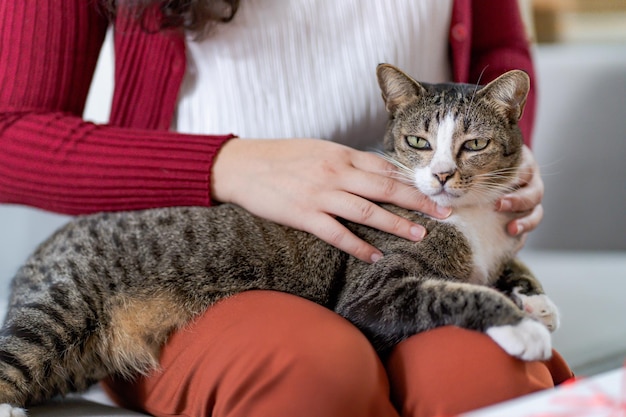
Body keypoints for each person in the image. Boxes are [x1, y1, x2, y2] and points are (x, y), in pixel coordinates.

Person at [0, 0, 573, 416]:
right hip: (206, 249)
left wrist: (506, 162)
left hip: (409, 218)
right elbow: (10, 133)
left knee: (490, 378)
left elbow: (501, 51)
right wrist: (230, 164)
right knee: (314, 379)